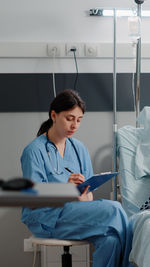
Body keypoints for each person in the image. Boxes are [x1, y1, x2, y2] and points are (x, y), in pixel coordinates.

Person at [21, 89, 133, 267]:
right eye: (69, 118)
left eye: (79, 120)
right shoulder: (34, 151)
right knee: (115, 208)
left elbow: (89, 195)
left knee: (111, 240)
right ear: (54, 115)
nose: (74, 125)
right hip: (45, 217)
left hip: (75, 213)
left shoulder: (79, 148)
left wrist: (82, 197)